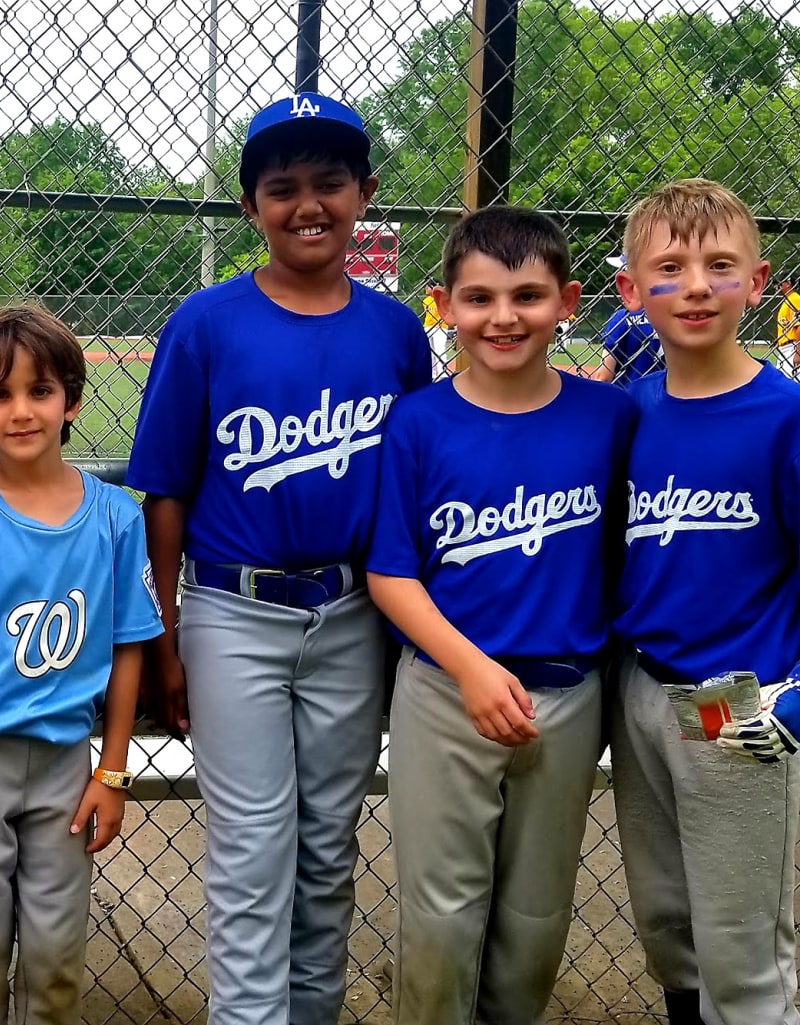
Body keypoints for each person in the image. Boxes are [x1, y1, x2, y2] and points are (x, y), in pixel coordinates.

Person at [126, 92, 430, 1025]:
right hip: (231, 609)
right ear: (252, 205)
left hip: (352, 616)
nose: (309, 204)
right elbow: (167, 491)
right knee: (254, 852)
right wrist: (170, 636)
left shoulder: (395, 332)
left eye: (329, 182)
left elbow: (413, 488)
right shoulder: (208, 322)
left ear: (364, 192)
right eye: (283, 186)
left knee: (328, 848)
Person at [365, 207, 633, 1025]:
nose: (504, 317)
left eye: (527, 295)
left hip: (568, 691)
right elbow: (391, 573)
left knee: (536, 918)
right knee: (441, 920)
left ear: (569, 301)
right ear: (443, 304)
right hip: (447, 689)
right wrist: (471, 666)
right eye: (479, 298)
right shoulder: (418, 420)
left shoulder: (611, 419)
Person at [0, 305, 163, 1025]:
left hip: (65, 767)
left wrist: (113, 769)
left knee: (55, 955)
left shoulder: (116, 517)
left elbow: (127, 646)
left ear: (72, 399)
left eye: (40, 391)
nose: (21, 410)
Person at [610, 178, 800, 1025]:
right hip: (640, 689)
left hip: (734, 698)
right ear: (630, 290)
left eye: (721, 266)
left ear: (758, 283)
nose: (695, 286)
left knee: (741, 941)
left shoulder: (783, 414)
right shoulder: (629, 413)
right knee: (668, 922)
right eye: (671, 267)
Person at [590, 254, 663, 385]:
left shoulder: (622, 318)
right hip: (665, 396)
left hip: (628, 397)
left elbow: (604, 375)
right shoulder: (671, 317)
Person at [772, 277, 800, 380]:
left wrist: (798, 353)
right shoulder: (787, 300)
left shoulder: (795, 299)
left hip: (792, 348)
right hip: (785, 349)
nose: (776, 287)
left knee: (792, 383)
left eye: (778, 283)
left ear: (788, 283)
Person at [421, 279, 448, 379]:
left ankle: (443, 374)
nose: (426, 289)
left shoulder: (442, 299)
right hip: (428, 326)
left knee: (440, 350)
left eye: (428, 287)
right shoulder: (426, 301)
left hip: (440, 327)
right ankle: (431, 374)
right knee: (429, 351)